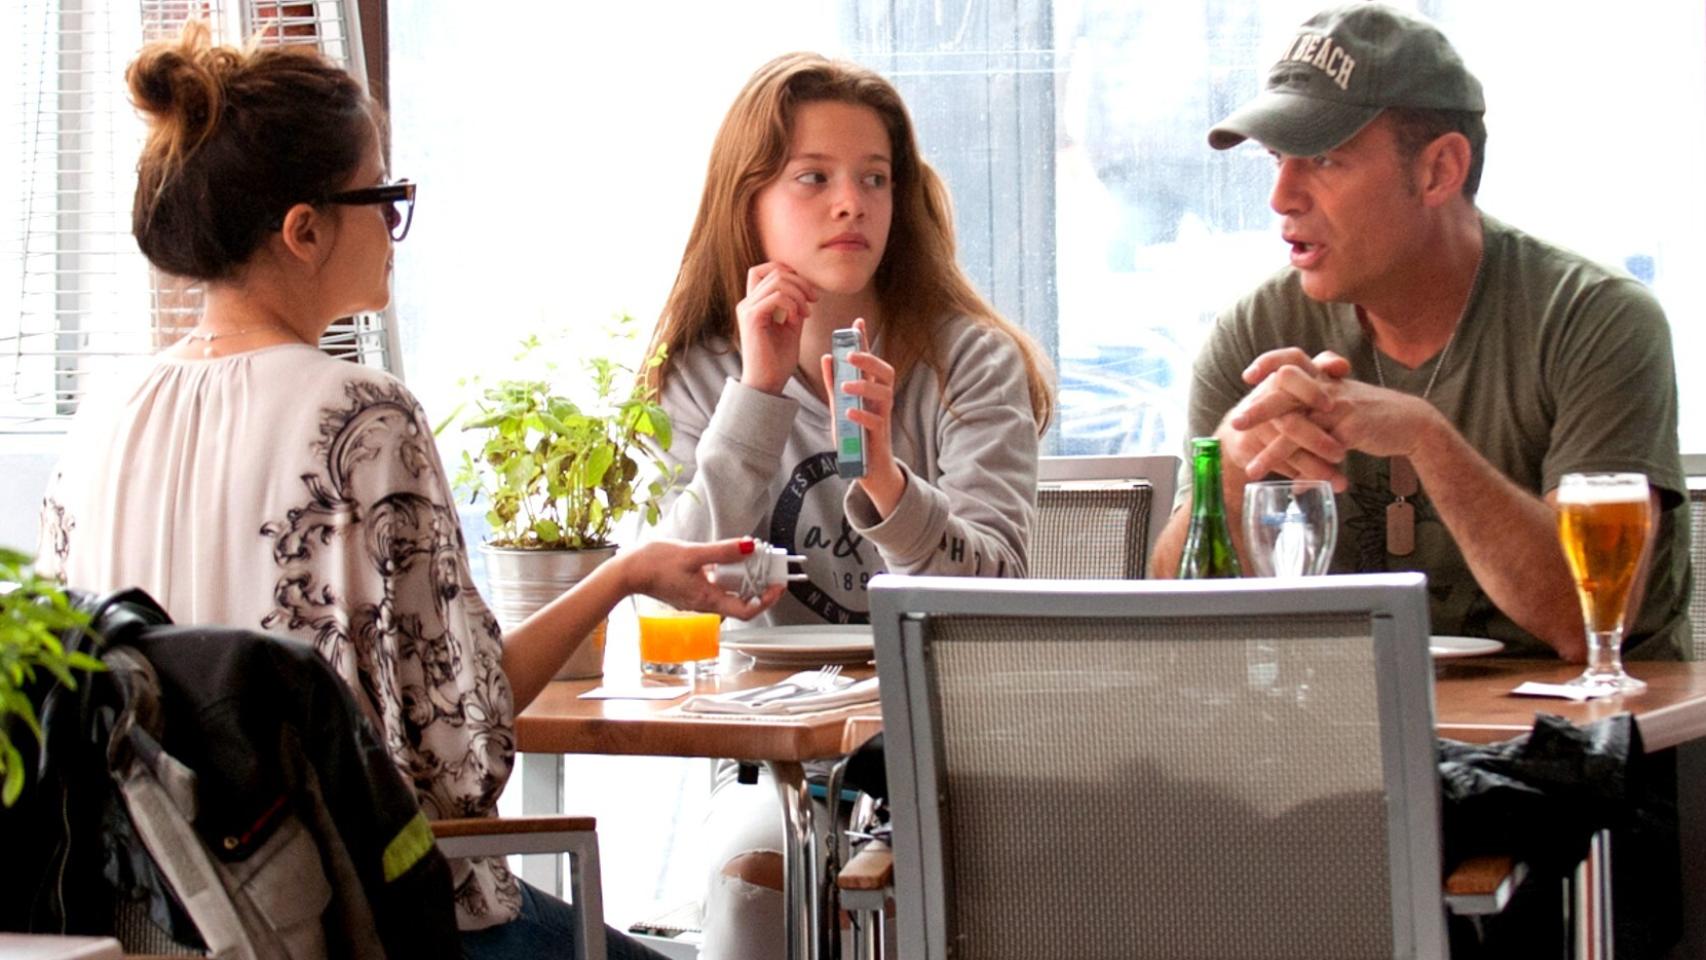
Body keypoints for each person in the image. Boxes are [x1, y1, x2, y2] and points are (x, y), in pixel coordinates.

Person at [35, 23, 777, 960]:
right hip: (371, 922)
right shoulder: (361, 418)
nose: (396, 228)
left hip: (165, 928)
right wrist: (621, 577)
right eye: (384, 198)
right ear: (305, 230)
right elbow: (463, 751)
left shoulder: (102, 421)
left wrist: (627, 573)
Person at [646, 52, 1053, 959]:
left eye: (875, 178)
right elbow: (679, 590)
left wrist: (885, 480)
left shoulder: (969, 361)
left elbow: (997, 589)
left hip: (956, 751)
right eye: (814, 178)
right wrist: (757, 396)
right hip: (773, 762)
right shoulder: (703, 374)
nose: (851, 205)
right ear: (747, 201)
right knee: (753, 875)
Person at [1152, 2, 1690, 663]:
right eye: (1277, 159)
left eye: (1323, 159)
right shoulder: (1256, 334)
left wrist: (1427, 439)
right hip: (1344, 718)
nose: (1281, 197)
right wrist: (1234, 472)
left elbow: (1588, 625)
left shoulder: (1594, 318)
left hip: (1575, 724)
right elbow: (1173, 632)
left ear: (1439, 170)